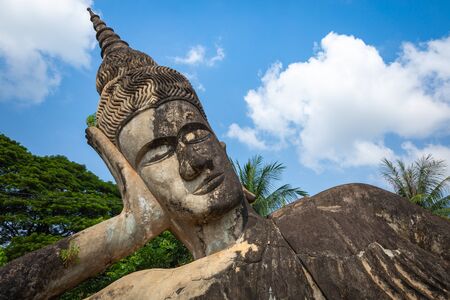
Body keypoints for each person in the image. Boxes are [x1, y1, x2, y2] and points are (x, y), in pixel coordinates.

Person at [0, 8, 448, 300]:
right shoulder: (148, 291)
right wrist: (128, 228)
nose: (195, 160)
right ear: (137, 181)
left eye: (196, 134)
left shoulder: (352, 210)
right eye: (159, 152)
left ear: (223, 146)